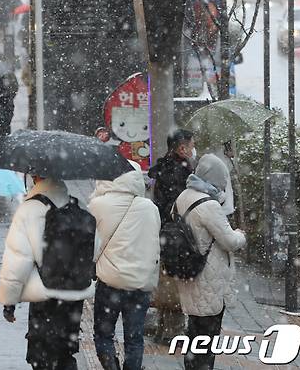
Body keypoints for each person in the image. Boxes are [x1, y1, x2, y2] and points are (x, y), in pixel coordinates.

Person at [0, 176, 93, 370]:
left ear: (36, 178)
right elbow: (93, 250)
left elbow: (18, 260)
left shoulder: (30, 209)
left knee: (41, 355)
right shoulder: (79, 206)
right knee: (66, 353)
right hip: (74, 294)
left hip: (44, 292)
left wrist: (9, 301)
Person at [174, 154, 246, 370]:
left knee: (194, 330)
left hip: (189, 270)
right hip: (208, 276)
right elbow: (230, 241)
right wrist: (241, 234)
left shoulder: (184, 196)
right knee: (207, 336)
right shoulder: (209, 205)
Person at [88, 161, 161, 370]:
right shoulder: (149, 208)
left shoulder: (97, 205)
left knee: (103, 334)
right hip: (139, 284)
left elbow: (90, 246)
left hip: (109, 282)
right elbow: (154, 245)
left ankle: (111, 366)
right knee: (135, 339)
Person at [147, 129, 197, 343]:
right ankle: (173, 331)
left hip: (163, 230)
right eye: (192, 145)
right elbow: (178, 202)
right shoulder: (181, 170)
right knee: (176, 280)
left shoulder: (163, 166)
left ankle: (163, 326)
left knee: (167, 277)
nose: (194, 149)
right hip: (177, 231)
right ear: (182, 148)